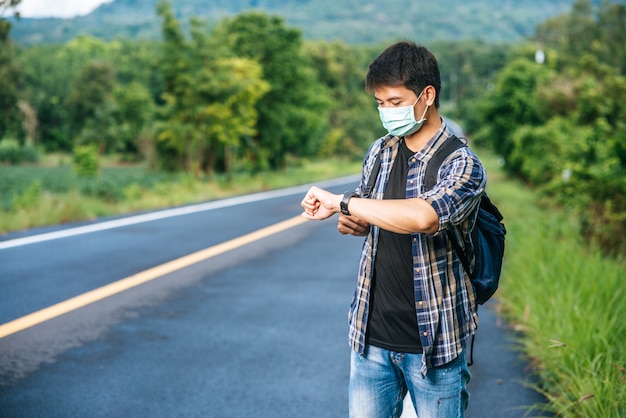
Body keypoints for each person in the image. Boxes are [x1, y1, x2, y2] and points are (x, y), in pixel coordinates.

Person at [300, 41, 486, 418]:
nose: (387, 111)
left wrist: (344, 202)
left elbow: (424, 217)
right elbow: (370, 217)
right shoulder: (380, 151)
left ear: (427, 95)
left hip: (434, 343)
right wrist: (351, 221)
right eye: (380, 103)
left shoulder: (462, 164)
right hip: (371, 338)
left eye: (395, 101)